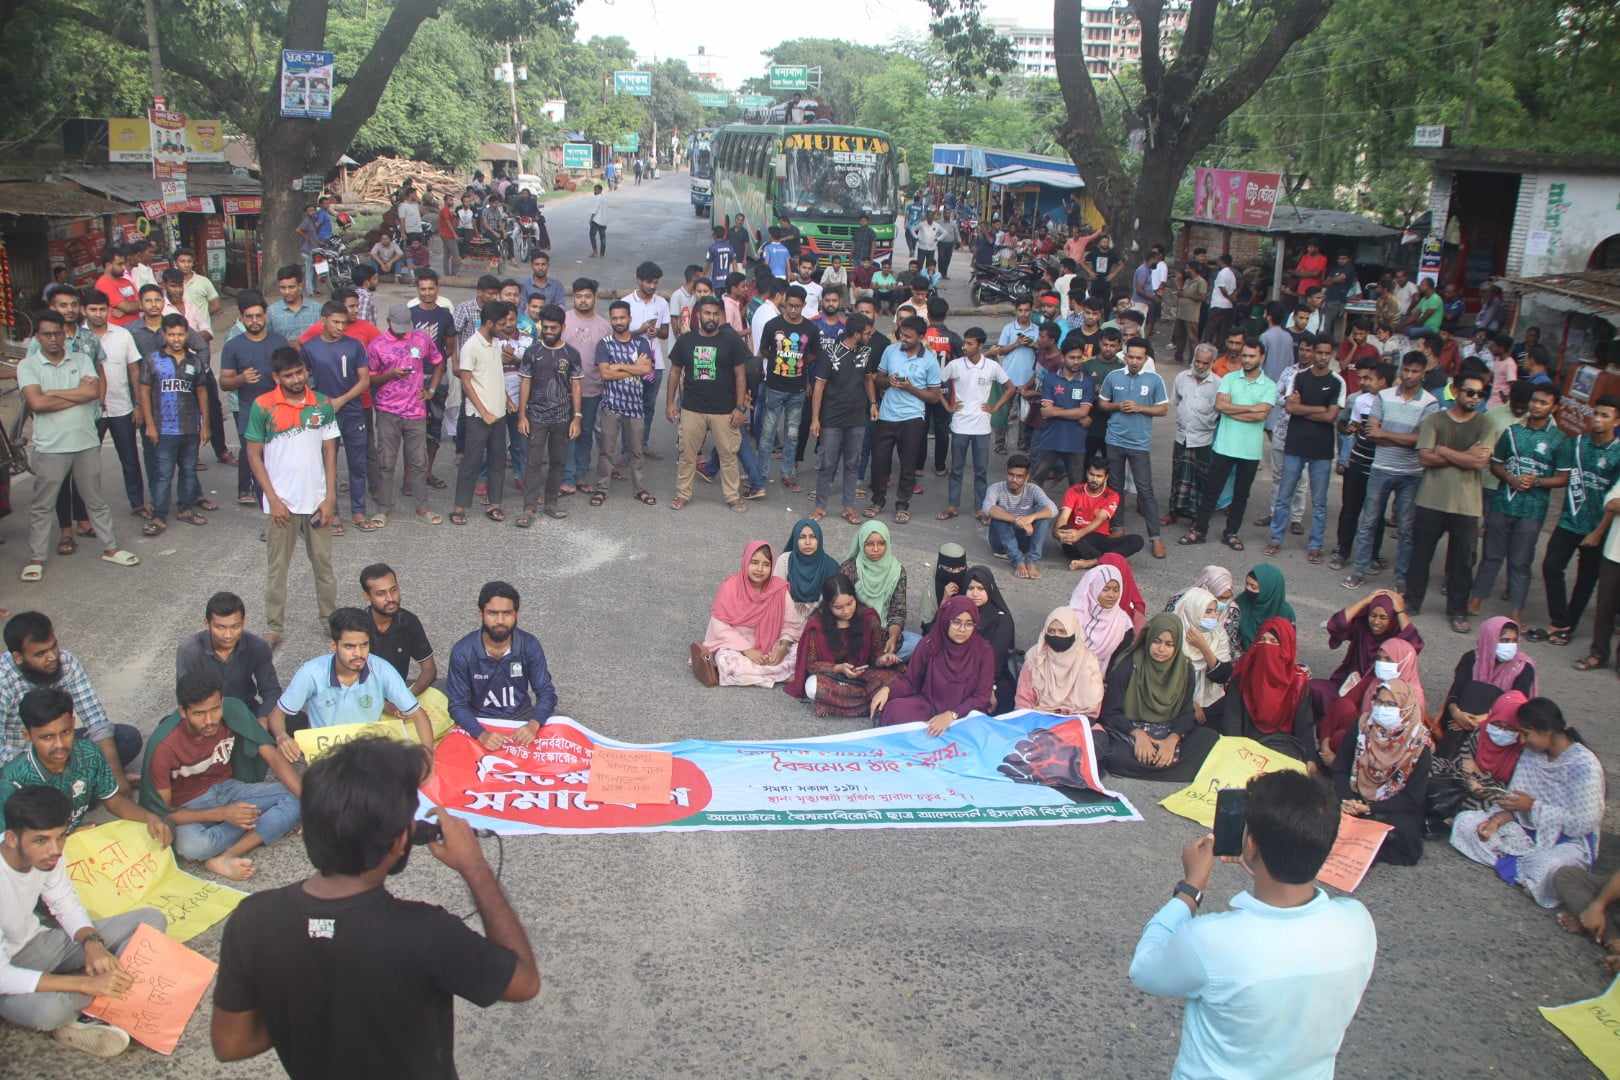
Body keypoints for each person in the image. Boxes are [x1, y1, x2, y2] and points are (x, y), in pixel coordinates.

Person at [211, 737, 537, 1075]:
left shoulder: (252, 920)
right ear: (400, 842)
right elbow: (524, 982)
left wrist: (308, 1011)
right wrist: (475, 867)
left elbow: (232, 1043)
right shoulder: (427, 932)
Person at [1131, 769, 1376, 1078]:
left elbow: (1144, 969)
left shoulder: (1212, 940)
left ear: (1251, 844)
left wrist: (1190, 889)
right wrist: (1265, 865)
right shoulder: (1357, 923)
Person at [0, 785, 166, 1057]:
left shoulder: (49, 855)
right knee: (49, 1011)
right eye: (41, 840)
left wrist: (92, 943)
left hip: (37, 944)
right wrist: (85, 983)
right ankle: (90, 1000)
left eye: (61, 837)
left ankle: (96, 1000)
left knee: (150, 920)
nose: (55, 849)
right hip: (5, 973)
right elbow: (3, 976)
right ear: (11, 839)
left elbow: (64, 902)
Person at [141, 669, 302, 881]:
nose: (209, 721)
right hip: (189, 806)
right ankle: (268, 821)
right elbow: (166, 813)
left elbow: (271, 755)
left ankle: (227, 856)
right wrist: (223, 814)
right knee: (192, 847)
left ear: (222, 702)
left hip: (229, 788)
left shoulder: (232, 709)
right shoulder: (164, 746)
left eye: (215, 709)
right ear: (183, 712)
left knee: (299, 796)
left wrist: (311, 802)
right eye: (199, 714)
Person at [17, 312, 139, 578]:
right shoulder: (28, 366)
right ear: (38, 337)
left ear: (65, 334)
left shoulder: (82, 359)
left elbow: (92, 393)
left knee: (95, 500)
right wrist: (75, 395)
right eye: (46, 334)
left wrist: (51, 393)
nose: (52, 339)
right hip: (50, 448)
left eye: (57, 333)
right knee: (42, 506)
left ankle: (110, 548)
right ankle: (36, 558)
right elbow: (36, 404)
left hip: (85, 443)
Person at [1449, 698, 1603, 907]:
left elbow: (1582, 823)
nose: (1522, 741)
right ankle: (1523, 871)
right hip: (1524, 829)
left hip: (1566, 841)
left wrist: (1533, 807)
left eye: (1526, 733)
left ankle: (1518, 865)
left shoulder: (1585, 765)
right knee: (1465, 822)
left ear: (1546, 730)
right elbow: (1515, 802)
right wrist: (1494, 822)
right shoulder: (1533, 754)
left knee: (1550, 866)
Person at [243, 347, 338, 646]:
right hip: (281, 505)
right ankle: (274, 627)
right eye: (289, 375)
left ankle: (329, 620)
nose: (296, 379)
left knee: (323, 566)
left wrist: (330, 498)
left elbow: (330, 451)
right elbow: (253, 454)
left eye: (300, 372)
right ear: (276, 377)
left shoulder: (322, 404)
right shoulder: (263, 406)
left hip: (317, 502)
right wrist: (272, 499)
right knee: (277, 569)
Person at [0, 689, 167, 840]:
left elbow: (114, 801)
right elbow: (10, 845)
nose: (59, 745)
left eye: (65, 732)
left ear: (73, 724)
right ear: (27, 735)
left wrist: (149, 818)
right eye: (47, 737)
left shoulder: (88, 753)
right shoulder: (12, 782)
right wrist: (67, 838)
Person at [269, 609, 437, 755]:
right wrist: (282, 737)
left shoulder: (382, 670)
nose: (359, 653)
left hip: (368, 752)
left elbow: (418, 715)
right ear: (334, 646)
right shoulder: (311, 673)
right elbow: (278, 714)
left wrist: (427, 755)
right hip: (325, 755)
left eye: (364, 645)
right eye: (349, 647)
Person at [1, 613, 141, 782]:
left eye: (53, 647)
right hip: (18, 759)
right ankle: (83, 787)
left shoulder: (66, 663)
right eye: (40, 654)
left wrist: (116, 776)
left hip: (59, 745)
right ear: (18, 657)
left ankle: (82, 786)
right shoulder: (3, 679)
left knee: (127, 739)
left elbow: (96, 720)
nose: (52, 657)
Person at [1343, 351, 1439, 591]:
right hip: (1381, 468)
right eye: (1406, 370)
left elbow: (1422, 439)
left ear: (1424, 373)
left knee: (1406, 528)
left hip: (1411, 473)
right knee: (1368, 521)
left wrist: (1387, 434)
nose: (1409, 375)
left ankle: (1401, 578)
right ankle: (1359, 571)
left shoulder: (1430, 403)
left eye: (1415, 371)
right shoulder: (1383, 396)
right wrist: (1404, 437)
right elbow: (1371, 432)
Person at [1405, 369, 1492, 631]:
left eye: (1480, 393)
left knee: (1462, 562)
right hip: (1431, 499)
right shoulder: (1435, 420)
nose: (1475, 397)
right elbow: (1424, 458)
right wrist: (1462, 455)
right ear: (1455, 391)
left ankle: (1457, 610)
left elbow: (1479, 462)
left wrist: (1441, 449)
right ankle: (1412, 602)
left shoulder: (1486, 424)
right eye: (1469, 392)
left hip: (1467, 505)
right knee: (1420, 555)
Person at [1535, 397, 1620, 647]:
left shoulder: (1617, 452)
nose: (1598, 419)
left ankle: (1567, 626)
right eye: (1596, 413)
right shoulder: (1575, 444)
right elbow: (1561, 474)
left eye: (1605, 415)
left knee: (1585, 580)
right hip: (1568, 519)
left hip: (1597, 527)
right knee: (1551, 566)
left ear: (1616, 421)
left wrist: (1598, 531)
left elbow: (1616, 496)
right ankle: (1560, 620)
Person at [1095, 614, 1219, 781]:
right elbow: (1110, 712)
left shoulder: (1184, 668)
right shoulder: (1129, 664)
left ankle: (1152, 764)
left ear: (1177, 646)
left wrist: (1172, 740)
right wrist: (1138, 735)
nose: (1161, 649)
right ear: (1148, 638)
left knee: (1209, 738)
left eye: (1169, 644)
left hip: (1168, 730)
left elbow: (1186, 712)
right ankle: (1171, 768)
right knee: (1111, 753)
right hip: (1130, 730)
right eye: (1157, 641)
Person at [441, 581, 558, 748]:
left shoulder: (529, 645)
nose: (500, 621)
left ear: (516, 614)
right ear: (481, 613)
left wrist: (534, 724)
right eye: (492, 613)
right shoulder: (463, 651)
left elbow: (546, 692)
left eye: (507, 613)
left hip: (522, 721)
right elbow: (457, 705)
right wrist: (481, 735)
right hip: (478, 722)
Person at [1183, 337, 1274, 549]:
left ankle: (1231, 533)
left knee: (1241, 495)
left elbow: (1261, 416)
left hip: (1250, 451)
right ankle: (1200, 530)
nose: (1247, 359)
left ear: (1262, 357)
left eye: (1252, 356)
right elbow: (1221, 406)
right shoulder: (1230, 379)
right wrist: (1251, 408)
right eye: (1244, 355)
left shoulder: (1269, 385)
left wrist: (1235, 409)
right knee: (1211, 491)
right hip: (1224, 446)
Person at [1266, 335, 1344, 560]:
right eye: (1318, 352)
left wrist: (1305, 408)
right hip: (1295, 443)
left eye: (1326, 353)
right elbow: (1290, 407)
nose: (1321, 357)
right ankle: (1275, 539)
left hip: (1322, 449)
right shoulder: (1298, 377)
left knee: (1319, 502)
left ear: (1331, 355)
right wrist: (1319, 409)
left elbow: (1331, 416)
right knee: (1284, 495)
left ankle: (1315, 545)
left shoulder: (1338, 381)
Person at [869, 596, 993, 735]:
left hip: (963, 715)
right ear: (946, 621)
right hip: (929, 706)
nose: (962, 629)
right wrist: (888, 690)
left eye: (969, 624)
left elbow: (981, 697)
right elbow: (911, 681)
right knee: (894, 711)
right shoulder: (930, 644)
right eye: (956, 622)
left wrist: (951, 715)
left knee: (976, 731)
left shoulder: (983, 651)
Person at [690, 542, 804, 689]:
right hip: (736, 646)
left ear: (771, 567)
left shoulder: (779, 589)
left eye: (766, 564)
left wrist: (781, 649)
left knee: (801, 651)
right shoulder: (730, 587)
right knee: (727, 661)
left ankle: (753, 675)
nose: (760, 569)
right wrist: (748, 650)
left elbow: (792, 624)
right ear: (745, 562)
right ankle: (781, 674)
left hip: (771, 645)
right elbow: (719, 625)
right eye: (754, 562)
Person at [359, 564, 452, 742]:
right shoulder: (358, 627)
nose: (390, 598)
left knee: (451, 686)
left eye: (393, 590)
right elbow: (349, 681)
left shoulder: (408, 621)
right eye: (381, 594)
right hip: (366, 699)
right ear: (367, 596)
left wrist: (407, 697)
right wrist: (385, 705)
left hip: (401, 695)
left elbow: (429, 669)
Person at [784, 575, 898, 718]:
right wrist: (839, 668)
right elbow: (811, 665)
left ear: (855, 598)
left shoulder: (868, 618)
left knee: (897, 678)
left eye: (850, 604)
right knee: (812, 687)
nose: (846, 611)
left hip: (863, 675)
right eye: (838, 607)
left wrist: (883, 659)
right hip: (834, 678)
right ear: (828, 605)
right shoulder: (817, 623)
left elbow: (875, 655)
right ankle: (871, 702)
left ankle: (841, 704)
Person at [867, 316, 943, 523]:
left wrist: (910, 388)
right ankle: (877, 501)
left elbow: (935, 396)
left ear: (921, 337)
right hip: (887, 415)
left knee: (908, 464)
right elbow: (878, 378)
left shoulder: (929, 359)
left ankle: (902, 504)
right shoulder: (891, 351)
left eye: (909, 337)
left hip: (913, 418)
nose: (904, 339)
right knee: (879, 462)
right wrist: (888, 382)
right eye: (902, 334)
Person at [513, 303, 584, 526]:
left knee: (557, 462)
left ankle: (551, 504)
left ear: (562, 327)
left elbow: (576, 387)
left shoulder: (571, 354)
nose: (549, 331)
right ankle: (529, 508)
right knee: (533, 463)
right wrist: (522, 415)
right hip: (536, 417)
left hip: (562, 419)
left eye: (554, 327)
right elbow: (525, 382)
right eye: (546, 327)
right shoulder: (532, 352)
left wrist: (577, 417)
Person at [1307, 590, 1422, 725]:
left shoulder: (1397, 638)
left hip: (1379, 695)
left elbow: (1414, 645)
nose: (1376, 622)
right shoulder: (1362, 628)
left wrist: (1401, 612)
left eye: (1383, 617)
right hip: (1348, 685)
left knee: (1350, 714)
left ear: (1392, 619)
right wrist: (1366, 600)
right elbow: (1337, 624)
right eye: (1373, 615)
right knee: (1311, 689)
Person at [81, 290, 147, 518]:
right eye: (93, 309)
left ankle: (138, 503)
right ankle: (83, 514)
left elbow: (134, 370)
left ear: (109, 310)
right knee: (86, 465)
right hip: (89, 411)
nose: (98, 314)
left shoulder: (122, 335)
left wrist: (138, 404)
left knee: (130, 459)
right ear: (84, 311)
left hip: (121, 407)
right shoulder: (77, 339)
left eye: (102, 309)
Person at [940, 327, 1015, 522]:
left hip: (982, 426)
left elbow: (1010, 388)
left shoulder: (992, 366)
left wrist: (995, 407)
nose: (965, 347)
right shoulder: (955, 365)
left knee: (981, 470)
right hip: (959, 425)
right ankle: (952, 506)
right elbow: (936, 384)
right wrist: (948, 405)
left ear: (980, 345)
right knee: (956, 468)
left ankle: (981, 509)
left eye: (970, 343)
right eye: (965, 343)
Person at [176, 592, 281, 722]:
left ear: (243, 622)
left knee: (296, 720)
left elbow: (271, 691)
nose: (228, 635)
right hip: (207, 717)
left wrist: (262, 717)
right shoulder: (190, 651)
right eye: (220, 627)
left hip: (246, 712)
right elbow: (186, 698)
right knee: (166, 728)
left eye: (235, 627)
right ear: (206, 623)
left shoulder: (257, 647)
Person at [808, 314, 872, 524]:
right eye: (866, 333)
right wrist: (815, 419)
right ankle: (820, 507)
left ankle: (848, 507)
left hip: (857, 419)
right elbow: (819, 386)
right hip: (832, 419)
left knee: (853, 464)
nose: (869, 336)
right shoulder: (830, 353)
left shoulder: (865, 352)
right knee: (827, 464)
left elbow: (868, 378)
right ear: (856, 334)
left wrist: (873, 404)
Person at [758, 286, 821, 493]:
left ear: (803, 305)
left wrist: (800, 363)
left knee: (792, 435)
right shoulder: (772, 325)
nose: (793, 310)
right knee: (767, 434)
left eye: (797, 307)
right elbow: (764, 350)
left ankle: (787, 473)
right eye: (789, 306)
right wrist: (778, 360)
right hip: (774, 388)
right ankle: (761, 474)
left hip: (797, 391)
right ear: (784, 304)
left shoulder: (811, 329)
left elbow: (814, 354)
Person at [1331, 359, 1393, 571]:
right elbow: (1352, 426)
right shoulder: (1359, 401)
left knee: (1376, 512)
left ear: (1383, 382)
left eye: (1370, 379)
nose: (1364, 382)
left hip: (1381, 465)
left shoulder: (1393, 404)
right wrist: (1348, 430)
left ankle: (1372, 555)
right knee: (1350, 509)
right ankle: (1343, 550)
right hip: (1358, 461)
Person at [1428, 685, 1519, 824]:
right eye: (1497, 724)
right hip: (1464, 778)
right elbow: (1463, 760)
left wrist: (1481, 784)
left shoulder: (1521, 750)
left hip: (1491, 793)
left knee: (1490, 806)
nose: (1501, 731)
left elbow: (1511, 790)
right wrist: (1470, 779)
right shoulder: (1481, 733)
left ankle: (1449, 816)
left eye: (1509, 728)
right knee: (1428, 765)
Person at [840, 522, 914, 666]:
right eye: (869, 544)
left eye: (881, 544)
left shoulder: (897, 571)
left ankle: (875, 659)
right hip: (854, 633)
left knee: (920, 644)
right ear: (861, 543)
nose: (875, 549)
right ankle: (876, 660)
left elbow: (897, 612)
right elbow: (840, 609)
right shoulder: (849, 569)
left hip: (883, 634)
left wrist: (893, 638)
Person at [1029, 335, 1093, 495]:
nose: (1076, 361)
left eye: (1079, 357)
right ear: (1063, 357)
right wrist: (1076, 414)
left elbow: (1083, 411)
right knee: (1036, 480)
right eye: (1072, 357)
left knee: (1076, 485)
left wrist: (1056, 411)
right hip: (1050, 439)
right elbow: (1045, 411)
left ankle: (1073, 517)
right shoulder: (1050, 379)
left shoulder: (1087, 382)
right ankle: (1029, 512)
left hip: (1076, 442)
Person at [1015, 607, 1105, 717]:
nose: (1056, 636)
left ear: (1074, 632)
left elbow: (1092, 708)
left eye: (1062, 632)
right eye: (1051, 631)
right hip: (1038, 719)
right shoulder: (1035, 657)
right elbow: (1023, 701)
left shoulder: (1087, 661)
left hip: (1075, 721)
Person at [1056, 456, 1144, 569]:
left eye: (1099, 476)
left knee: (1137, 540)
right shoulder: (1074, 491)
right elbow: (1063, 517)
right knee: (1064, 528)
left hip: (1099, 540)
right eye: (1091, 474)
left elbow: (1099, 520)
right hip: (1075, 541)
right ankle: (1109, 559)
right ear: (1086, 473)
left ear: (1106, 477)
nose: (1094, 479)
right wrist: (1059, 532)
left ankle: (1093, 561)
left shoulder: (1112, 496)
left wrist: (1079, 534)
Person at [1167, 344, 1219, 527]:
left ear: (1212, 363)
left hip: (1203, 439)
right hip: (1182, 436)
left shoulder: (1218, 384)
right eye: (1197, 361)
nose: (1200, 366)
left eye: (1205, 363)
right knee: (1178, 475)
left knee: (1200, 479)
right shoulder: (1182, 378)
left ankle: (1197, 516)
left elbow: (1219, 411)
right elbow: (1177, 401)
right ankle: (1174, 512)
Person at [983, 454, 1058, 580]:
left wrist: (1031, 518)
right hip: (1001, 543)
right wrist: (1017, 519)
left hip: (1025, 540)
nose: (1014, 479)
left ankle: (1032, 560)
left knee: (1044, 513)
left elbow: (1053, 509)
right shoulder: (996, 488)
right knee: (998, 513)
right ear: (1006, 473)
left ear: (1027, 477)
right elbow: (987, 508)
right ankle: (1018, 561)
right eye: (1011, 474)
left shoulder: (1033, 489)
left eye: (1019, 476)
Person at [1443, 617, 1538, 711]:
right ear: (1489, 639)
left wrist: (1486, 719)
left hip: (1501, 718)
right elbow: (1457, 690)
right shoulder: (1471, 658)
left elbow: (1517, 703)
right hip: (1464, 713)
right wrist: (1455, 711)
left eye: (1514, 641)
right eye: (1505, 640)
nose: (1511, 646)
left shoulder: (1523, 666)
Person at [960, 565, 1015, 713]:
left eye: (981, 588)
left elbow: (995, 658)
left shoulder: (1002, 620)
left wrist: (989, 687)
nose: (975, 593)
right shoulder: (958, 613)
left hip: (991, 677)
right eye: (971, 588)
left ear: (989, 589)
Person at [988, 300, 1040, 455]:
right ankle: (999, 444)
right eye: (1020, 310)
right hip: (1008, 378)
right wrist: (1017, 343)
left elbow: (1042, 349)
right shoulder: (1008, 329)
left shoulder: (1037, 329)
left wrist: (1032, 344)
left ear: (1031, 311)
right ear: (1016, 311)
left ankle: (1023, 444)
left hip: (1028, 379)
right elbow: (1000, 351)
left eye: (1026, 310)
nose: (1023, 313)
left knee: (1025, 415)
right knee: (1003, 413)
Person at [1068, 563, 1136, 673]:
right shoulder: (1072, 615)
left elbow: (1117, 663)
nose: (1111, 595)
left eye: (1116, 590)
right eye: (1105, 589)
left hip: (1099, 678)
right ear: (1093, 588)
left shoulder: (1123, 624)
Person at [1235, 564, 1293, 651]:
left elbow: (1288, 647)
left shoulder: (1285, 613)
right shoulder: (1241, 602)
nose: (1248, 589)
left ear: (1268, 590)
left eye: (1253, 587)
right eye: (1247, 584)